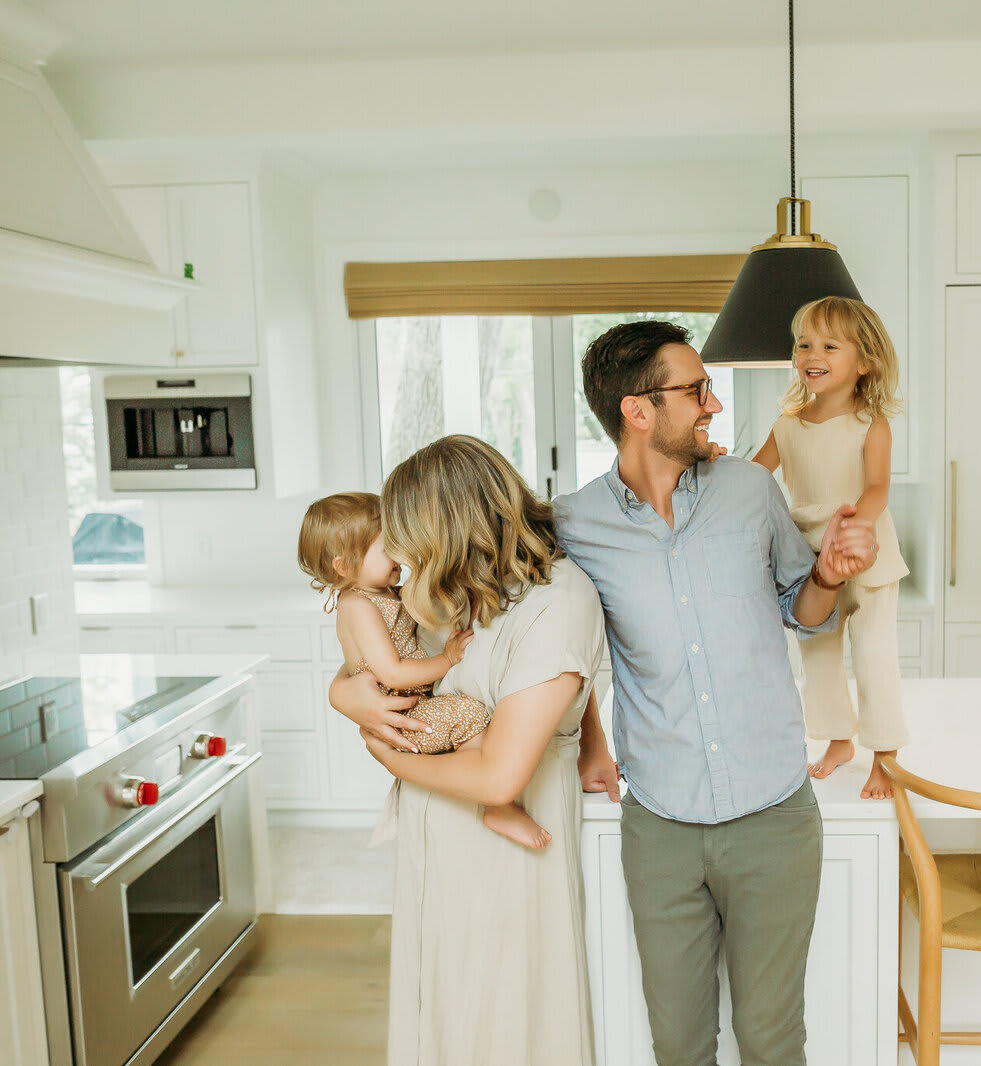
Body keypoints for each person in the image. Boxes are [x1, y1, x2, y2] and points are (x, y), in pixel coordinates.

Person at [554, 319, 879, 1066]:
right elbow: (563, 653)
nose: (714, 406)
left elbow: (805, 614)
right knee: (679, 1046)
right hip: (661, 827)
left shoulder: (749, 489)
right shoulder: (575, 526)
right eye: (696, 390)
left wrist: (828, 574)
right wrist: (593, 746)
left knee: (771, 1042)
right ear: (639, 410)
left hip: (774, 816)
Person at [326, 436, 618, 1066]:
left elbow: (498, 774)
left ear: (448, 527)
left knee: (507, 1026)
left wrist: (383, 751)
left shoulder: (558, 599)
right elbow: (377, 662)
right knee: (442, 1019)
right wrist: (343, 694)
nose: (399, 555)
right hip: (438, 846)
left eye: (406, 534)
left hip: (505, 865)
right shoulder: (453, 588)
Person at [298, 490, 550, 848]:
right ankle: (495, 803)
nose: (397, 554)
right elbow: (393, 674)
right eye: (386, 549)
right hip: (404, 719)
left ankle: (485, 788)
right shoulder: (357, 606)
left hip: (413, 706)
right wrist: (447, 660)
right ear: (344, 566)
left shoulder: (383, 591)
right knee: (470, 713)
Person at [752, 296, 910, 800]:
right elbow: (754, 477)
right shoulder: (786, 424)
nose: (810, 354)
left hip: (867, 555)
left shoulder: (871, 424)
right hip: (810, 562)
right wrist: (714, 466)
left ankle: (884, 756)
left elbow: (878, 487)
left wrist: (854, 530)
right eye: (803, 344)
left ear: (864, 363)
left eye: (828, 345)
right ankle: (840, 740)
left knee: (873, 655)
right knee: (817, 655)